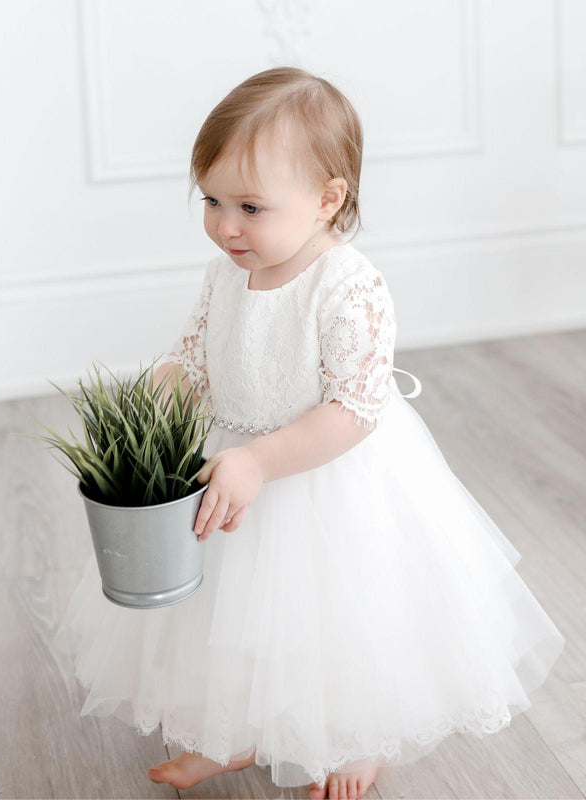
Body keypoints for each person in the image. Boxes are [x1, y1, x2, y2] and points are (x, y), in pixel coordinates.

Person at [50, 67, 565, 800]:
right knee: (231, 616)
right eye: (213, 200)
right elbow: (194, 359)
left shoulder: (349, 287)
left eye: (251, 206)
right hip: (239, 467)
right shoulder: (227, 273)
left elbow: (353, 410)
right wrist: (155, 398)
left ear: (328, 199)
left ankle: (357, 734)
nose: (226, 225)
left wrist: (260, 459)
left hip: (325, 477)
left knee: (338, 619)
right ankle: (230, 730)